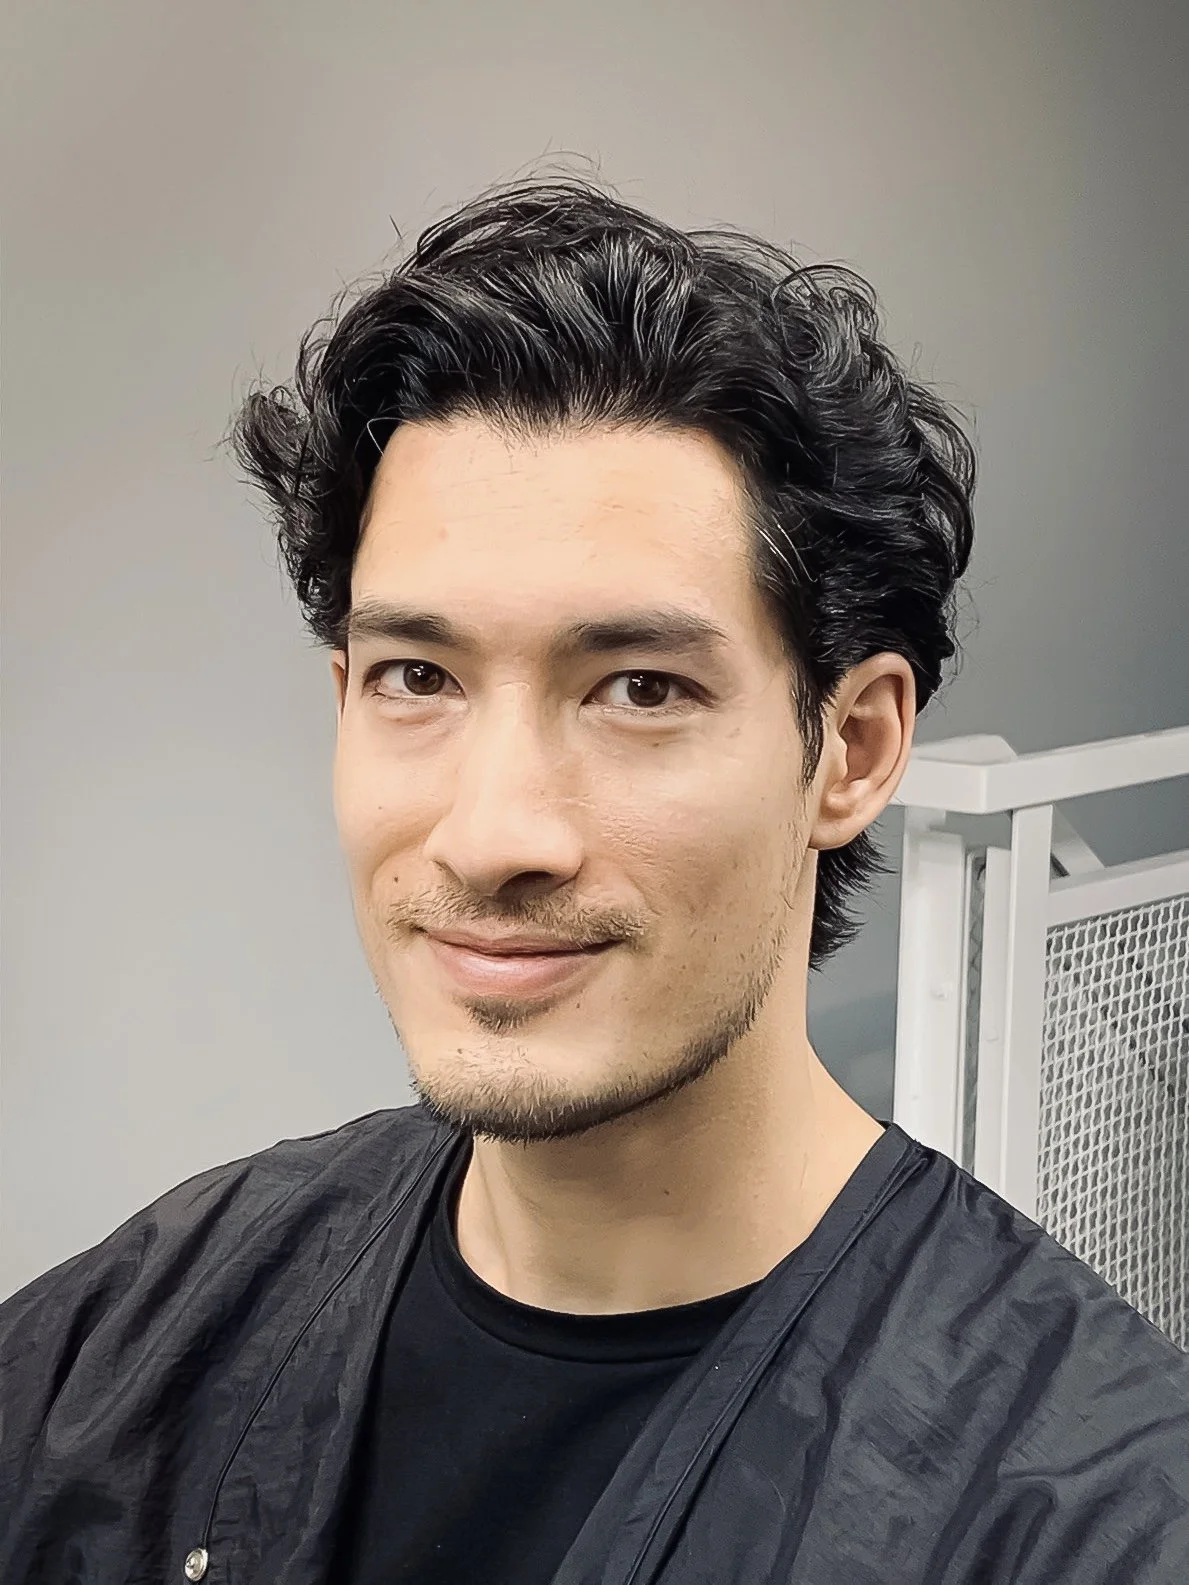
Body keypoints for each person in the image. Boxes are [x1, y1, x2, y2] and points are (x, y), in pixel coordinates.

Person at [2, 175, 1186, 1585]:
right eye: (418, 678)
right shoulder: (115, 1356)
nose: (495, 832)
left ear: (850, 751)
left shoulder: (1088, 1522)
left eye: (638, 688)